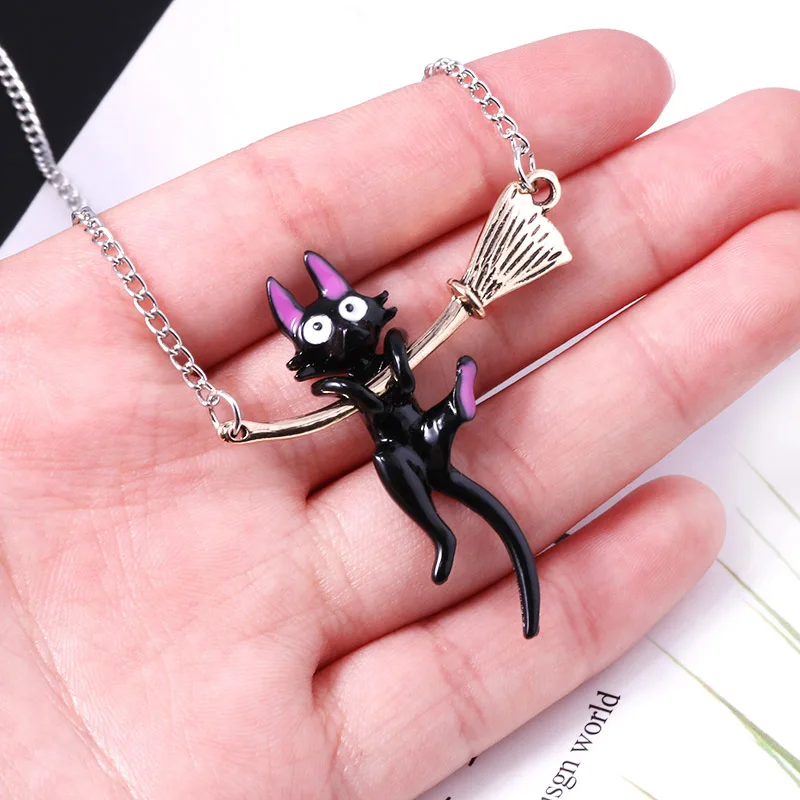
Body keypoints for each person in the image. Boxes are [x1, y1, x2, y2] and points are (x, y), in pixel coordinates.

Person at [1, 29, 798, 799]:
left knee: (427, 440)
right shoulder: (345, 386)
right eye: (316, 328)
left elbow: (391, 363)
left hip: (420, 423)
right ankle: (444, 531)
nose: (338, 327)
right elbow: (330, 404)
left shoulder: (386, 352)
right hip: (396, 443)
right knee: (401, 468)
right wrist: (275, 418)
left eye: (340, 311)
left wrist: (395, 367)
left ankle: (460, 406)